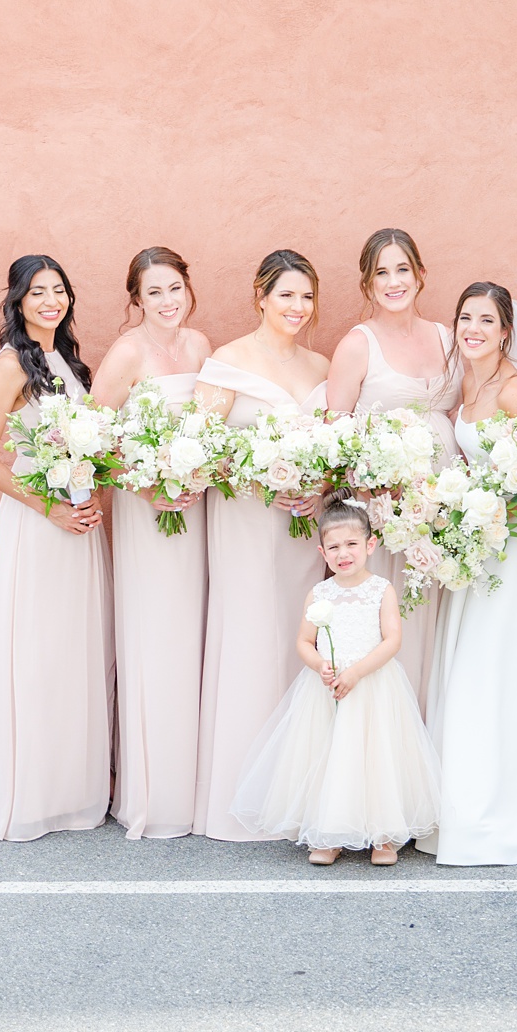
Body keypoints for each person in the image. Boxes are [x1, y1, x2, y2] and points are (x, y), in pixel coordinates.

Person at [419, 283, 517, 866]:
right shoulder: (467, 382)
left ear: (507, 330)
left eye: (486, 320)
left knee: (495, 668)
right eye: (465, 318)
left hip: (511, 550)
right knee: (468, 664)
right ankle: (456, 799)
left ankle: (495, 803)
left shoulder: (513, 390)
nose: (474, 329)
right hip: (476, 546)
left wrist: (500, 507)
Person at [192, 250, 332, 841]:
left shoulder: (322, 363)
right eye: (286, 296)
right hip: (248, 521)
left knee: (296, 640)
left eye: (306, 298)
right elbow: (199, 450)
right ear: (260, 295)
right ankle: (238, 795)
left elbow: (336, 449)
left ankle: (296, 790)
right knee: (251, 637)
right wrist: (258, 481)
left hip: (303, 527)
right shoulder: (226, 361)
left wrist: (319, 486)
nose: (297, 308)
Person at [0, 254, 109, 841]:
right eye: (38, 292)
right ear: (18, 301)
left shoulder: (67, 361)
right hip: (37, 524)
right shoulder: (10, 365)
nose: (51, 301)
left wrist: (90, 491)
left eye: (59, 291)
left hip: (78, 523)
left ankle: (71, 796)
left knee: (73, 653)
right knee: (37, 653)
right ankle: (28, 797)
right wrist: (45, 505)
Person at [228, 499, 438, 865]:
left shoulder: (381, 589)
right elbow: (303, 642)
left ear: (370, 546)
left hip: (372, 685)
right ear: (323, 552)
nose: (344, 554)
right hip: (327, 690)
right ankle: (329, 831)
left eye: (352, 545)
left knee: (377, 757)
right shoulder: (320, 593)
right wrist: (320, 665)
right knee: (328, 757)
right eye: (335, 547)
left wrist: (356, 671)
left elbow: (392, 640)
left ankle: (383, 835)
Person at [88, 247, 211, 840]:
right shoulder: (127, 353)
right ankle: (152, 794)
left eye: (174, 289)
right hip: (148, 513)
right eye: (153, 292)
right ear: (137, 300)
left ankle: (192, 786)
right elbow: (90, 438)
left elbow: (213, 425)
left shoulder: (201, 346)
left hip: (196, 512)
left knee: (193, 637)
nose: (167, 302)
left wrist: (195, 473)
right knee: (156, 636)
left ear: (189, 289)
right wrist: (145, 487)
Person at [325, 228, 457, 697]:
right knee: (395, 620)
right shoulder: (358, 344)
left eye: (402, 269)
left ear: (420, 275)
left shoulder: (447, 336)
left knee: (441, 617)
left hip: (444, 507)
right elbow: (334, 436)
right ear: (368, 284)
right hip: (385, 508)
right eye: (381, 272)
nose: (393, 281)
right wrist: (374, 489)